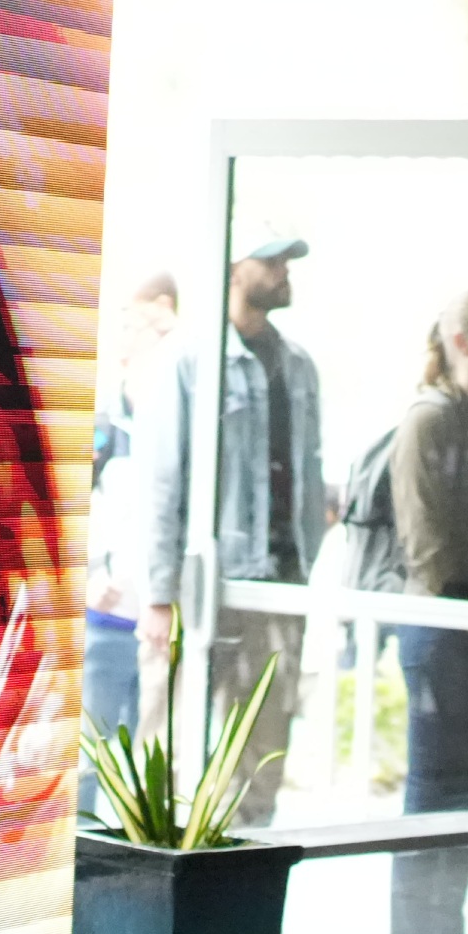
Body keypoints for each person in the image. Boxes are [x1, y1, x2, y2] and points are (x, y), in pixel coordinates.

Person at [137, 238, 328, 826]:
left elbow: (310, 472)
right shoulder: (188, 358)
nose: (283, 271)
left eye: (286, 261)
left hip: (278, 581)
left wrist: (306, 572)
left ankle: (242, 870)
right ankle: (146, 873)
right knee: (166, 740)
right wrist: (160, 596)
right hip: (206, 583)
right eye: (270, 261)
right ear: (233, 268)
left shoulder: (297, 364)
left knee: (262, 744)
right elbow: (163, 479)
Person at [389, 289, 468, 934]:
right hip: (443, 633)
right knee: (436, 794)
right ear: (465, 341)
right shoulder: (431, 420)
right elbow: (426, 549)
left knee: (464, 796)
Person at [80, 273, 179, 815]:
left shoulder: (182, 426)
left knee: (152, 761)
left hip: (163, 626)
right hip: (109, 618)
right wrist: (92, 573)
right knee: (90, 759)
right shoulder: (105, 427)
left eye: (134, 326)